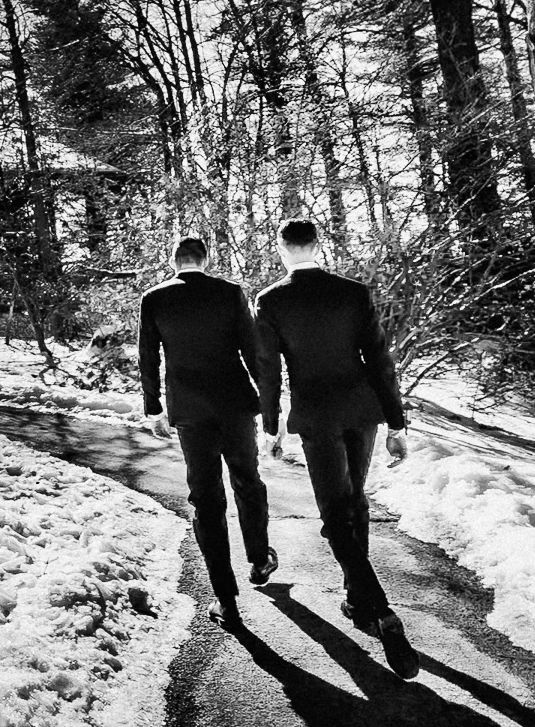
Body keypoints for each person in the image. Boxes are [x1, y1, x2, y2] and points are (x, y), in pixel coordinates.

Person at [254, 218, 419, 679]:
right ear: (318, 244)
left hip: (317, 414)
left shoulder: (271, 300)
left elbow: (268, 371)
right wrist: (396, 422)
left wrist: (271, 427)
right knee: (354, 501)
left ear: (282, 248)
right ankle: (358, 600)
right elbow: (380, 360)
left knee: (335, 512)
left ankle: (379, 607)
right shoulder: (354, 292)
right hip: (361, 409)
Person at [139, 236, 277, 621]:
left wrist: (153, 408)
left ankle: (226, 599)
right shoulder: (230, 292)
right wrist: (269, 405)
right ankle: (259, 558)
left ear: (174, 260)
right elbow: (252, 350)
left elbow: (148, 357)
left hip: (189, 411)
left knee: (206, 498)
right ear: (206, 259)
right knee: (247, 481)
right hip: (235, 405)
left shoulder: (155, 298)